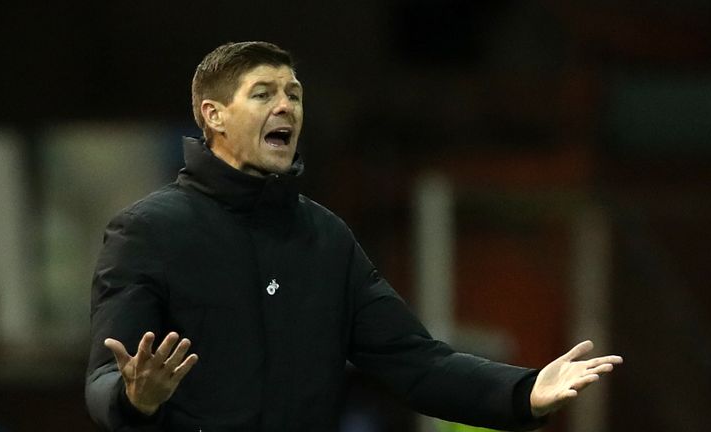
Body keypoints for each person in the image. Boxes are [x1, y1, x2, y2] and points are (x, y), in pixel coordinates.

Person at [85, 41, 622, 432]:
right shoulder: (148, 232)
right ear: (214, 115)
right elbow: (106, 377)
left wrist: (524, 391)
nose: (286, 107)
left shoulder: (324, 238)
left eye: (294, 94)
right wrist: (137, 399)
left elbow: (415, 362)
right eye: (263, 93)